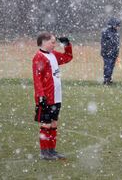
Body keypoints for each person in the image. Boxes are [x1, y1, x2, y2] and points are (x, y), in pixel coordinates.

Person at [32, 32, 73, 160]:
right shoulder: (39, 57)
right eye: (52, 42)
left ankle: (52, 150)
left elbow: (68, 57)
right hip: (46, 97)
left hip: (56, 96)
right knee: (46, 124)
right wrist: (40, 96)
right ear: (44, 42)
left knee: (54, 123)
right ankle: (44, 152)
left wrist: (67, 45)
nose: (54, 44)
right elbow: (37, 79)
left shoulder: (53, 55)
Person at [101, 17, 120, 85]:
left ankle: (108, 79)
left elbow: (116, 44)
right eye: (117, 25)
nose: (118, 27)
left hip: (113, 53)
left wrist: (116, 53)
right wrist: (109, 51)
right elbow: (105, 44)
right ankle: (106, 79)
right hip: (108, 53)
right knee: (108, 66)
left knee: (111, 66)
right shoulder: (106, 32)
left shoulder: (115, 33)